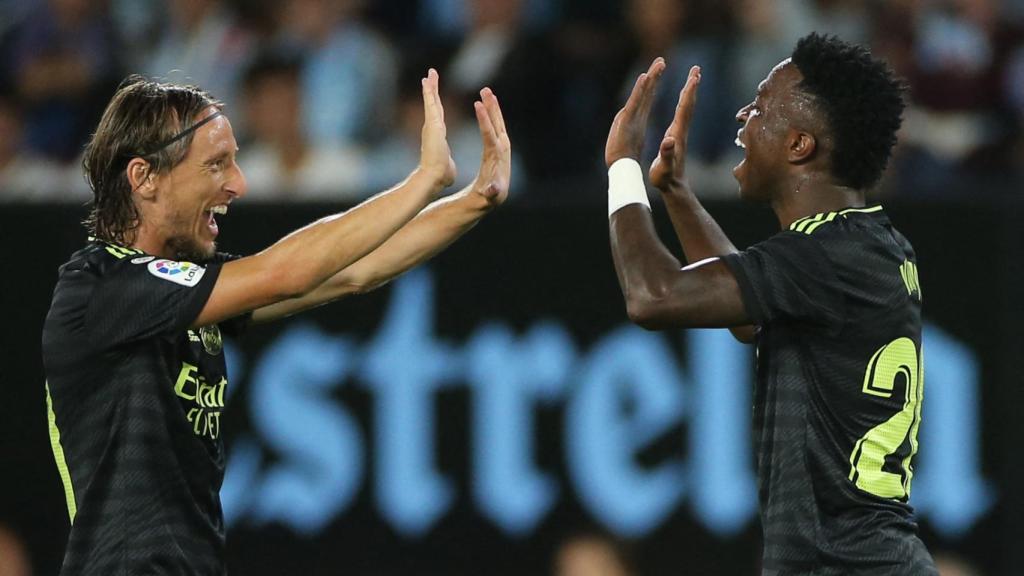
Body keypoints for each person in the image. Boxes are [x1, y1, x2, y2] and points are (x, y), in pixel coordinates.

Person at [41, 69, 510, 574]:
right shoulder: (100, 288)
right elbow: (287, 273)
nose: (237, 184)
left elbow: (350, 273)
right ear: (145, 177)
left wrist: (472, 200)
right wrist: (421, 181)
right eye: (217, 164)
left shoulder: (182, 288)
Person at [604, 33, 935, 574]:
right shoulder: (869, 243)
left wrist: (622, 167)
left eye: (759, 107)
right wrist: (676, 193)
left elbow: (652, 296)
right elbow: (749, 319)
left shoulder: (825, 256)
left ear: (799, 145)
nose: (741, 115)